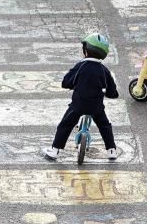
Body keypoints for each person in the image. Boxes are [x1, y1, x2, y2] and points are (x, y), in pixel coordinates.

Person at [45, 33, 119, 161]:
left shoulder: (80, 66)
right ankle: (111, 150)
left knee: (65, 125)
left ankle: (54, 150)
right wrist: (110, 94)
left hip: (78, 106)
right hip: (96, 107)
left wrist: (73, 85)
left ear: (85, 50)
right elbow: (112, 91)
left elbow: (66, 82)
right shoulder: (104, 70)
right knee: (104, 125)